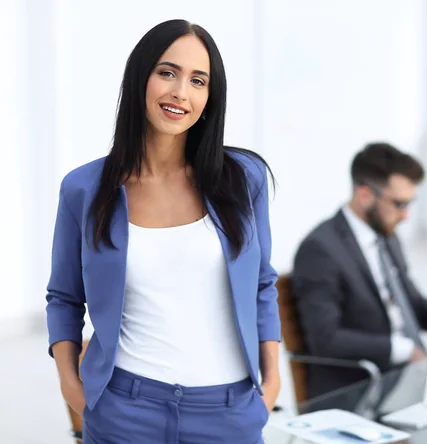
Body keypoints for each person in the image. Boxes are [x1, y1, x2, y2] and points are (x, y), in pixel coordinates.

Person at [45, 19, 280, 444]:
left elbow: (263, 284)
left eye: (198, 80)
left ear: (210, 97)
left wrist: (273, 382)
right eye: (167, 73)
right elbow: (64, 297)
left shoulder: (245, 179)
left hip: (228, 413)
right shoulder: (84, 188)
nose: (180, 93)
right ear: (140, 79)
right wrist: (70, 384)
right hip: (125, 412)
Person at [292, 142, 427, 412]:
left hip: (402, 376)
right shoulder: (320, 249)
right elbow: (326, 338)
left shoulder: (386, 235)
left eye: (409, 203)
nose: (406, 215)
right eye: (399, 204)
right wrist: (403, 349)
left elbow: (411, 300)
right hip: (361, 387)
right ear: (365, 195)